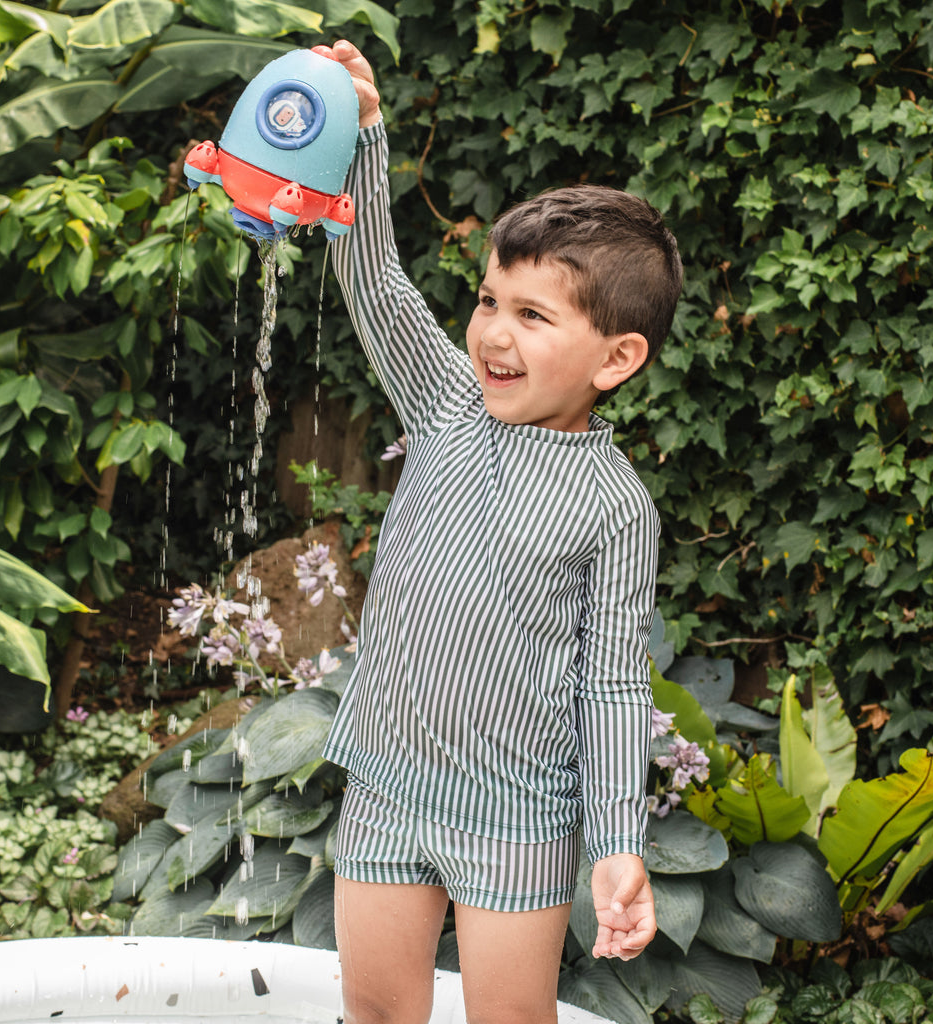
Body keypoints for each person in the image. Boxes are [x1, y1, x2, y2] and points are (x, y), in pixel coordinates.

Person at [312, 39, 683, 1024]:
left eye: (532, 314)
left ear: (617, 358)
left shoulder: (615, 507)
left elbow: (612, 682)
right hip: (388, 783)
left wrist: (617, 841)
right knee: (375, 1012)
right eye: (487, 301)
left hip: (515, 815)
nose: (492, 333)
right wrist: (364, 137)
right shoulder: (445, 406)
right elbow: (378, 285)